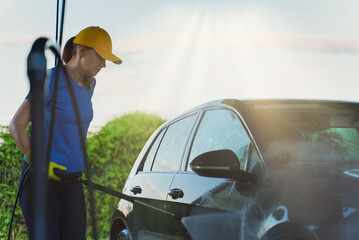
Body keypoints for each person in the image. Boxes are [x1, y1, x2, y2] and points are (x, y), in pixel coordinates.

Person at [9, 26, 122, 240]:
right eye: (100, 57)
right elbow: (17, 125)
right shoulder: (49, 79)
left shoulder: (91, 85)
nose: (104, 64)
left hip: (72, 180)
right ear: (81, 51)